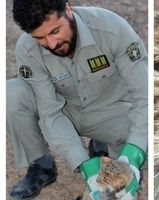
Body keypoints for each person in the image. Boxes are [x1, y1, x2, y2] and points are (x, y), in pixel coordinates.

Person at [7, 0, 148, 199]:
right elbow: (50, 111)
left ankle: (104, 143)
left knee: (152, 145)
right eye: (40, 37)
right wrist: (84, 166)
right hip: (65, 110)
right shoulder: (27, 48)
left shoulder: (112, 29)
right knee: (11, 94)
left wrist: (133, 154)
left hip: (108, 110)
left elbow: (144, 96)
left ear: (67, 9)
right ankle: (41, 165)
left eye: (55, 31)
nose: (51, 44)